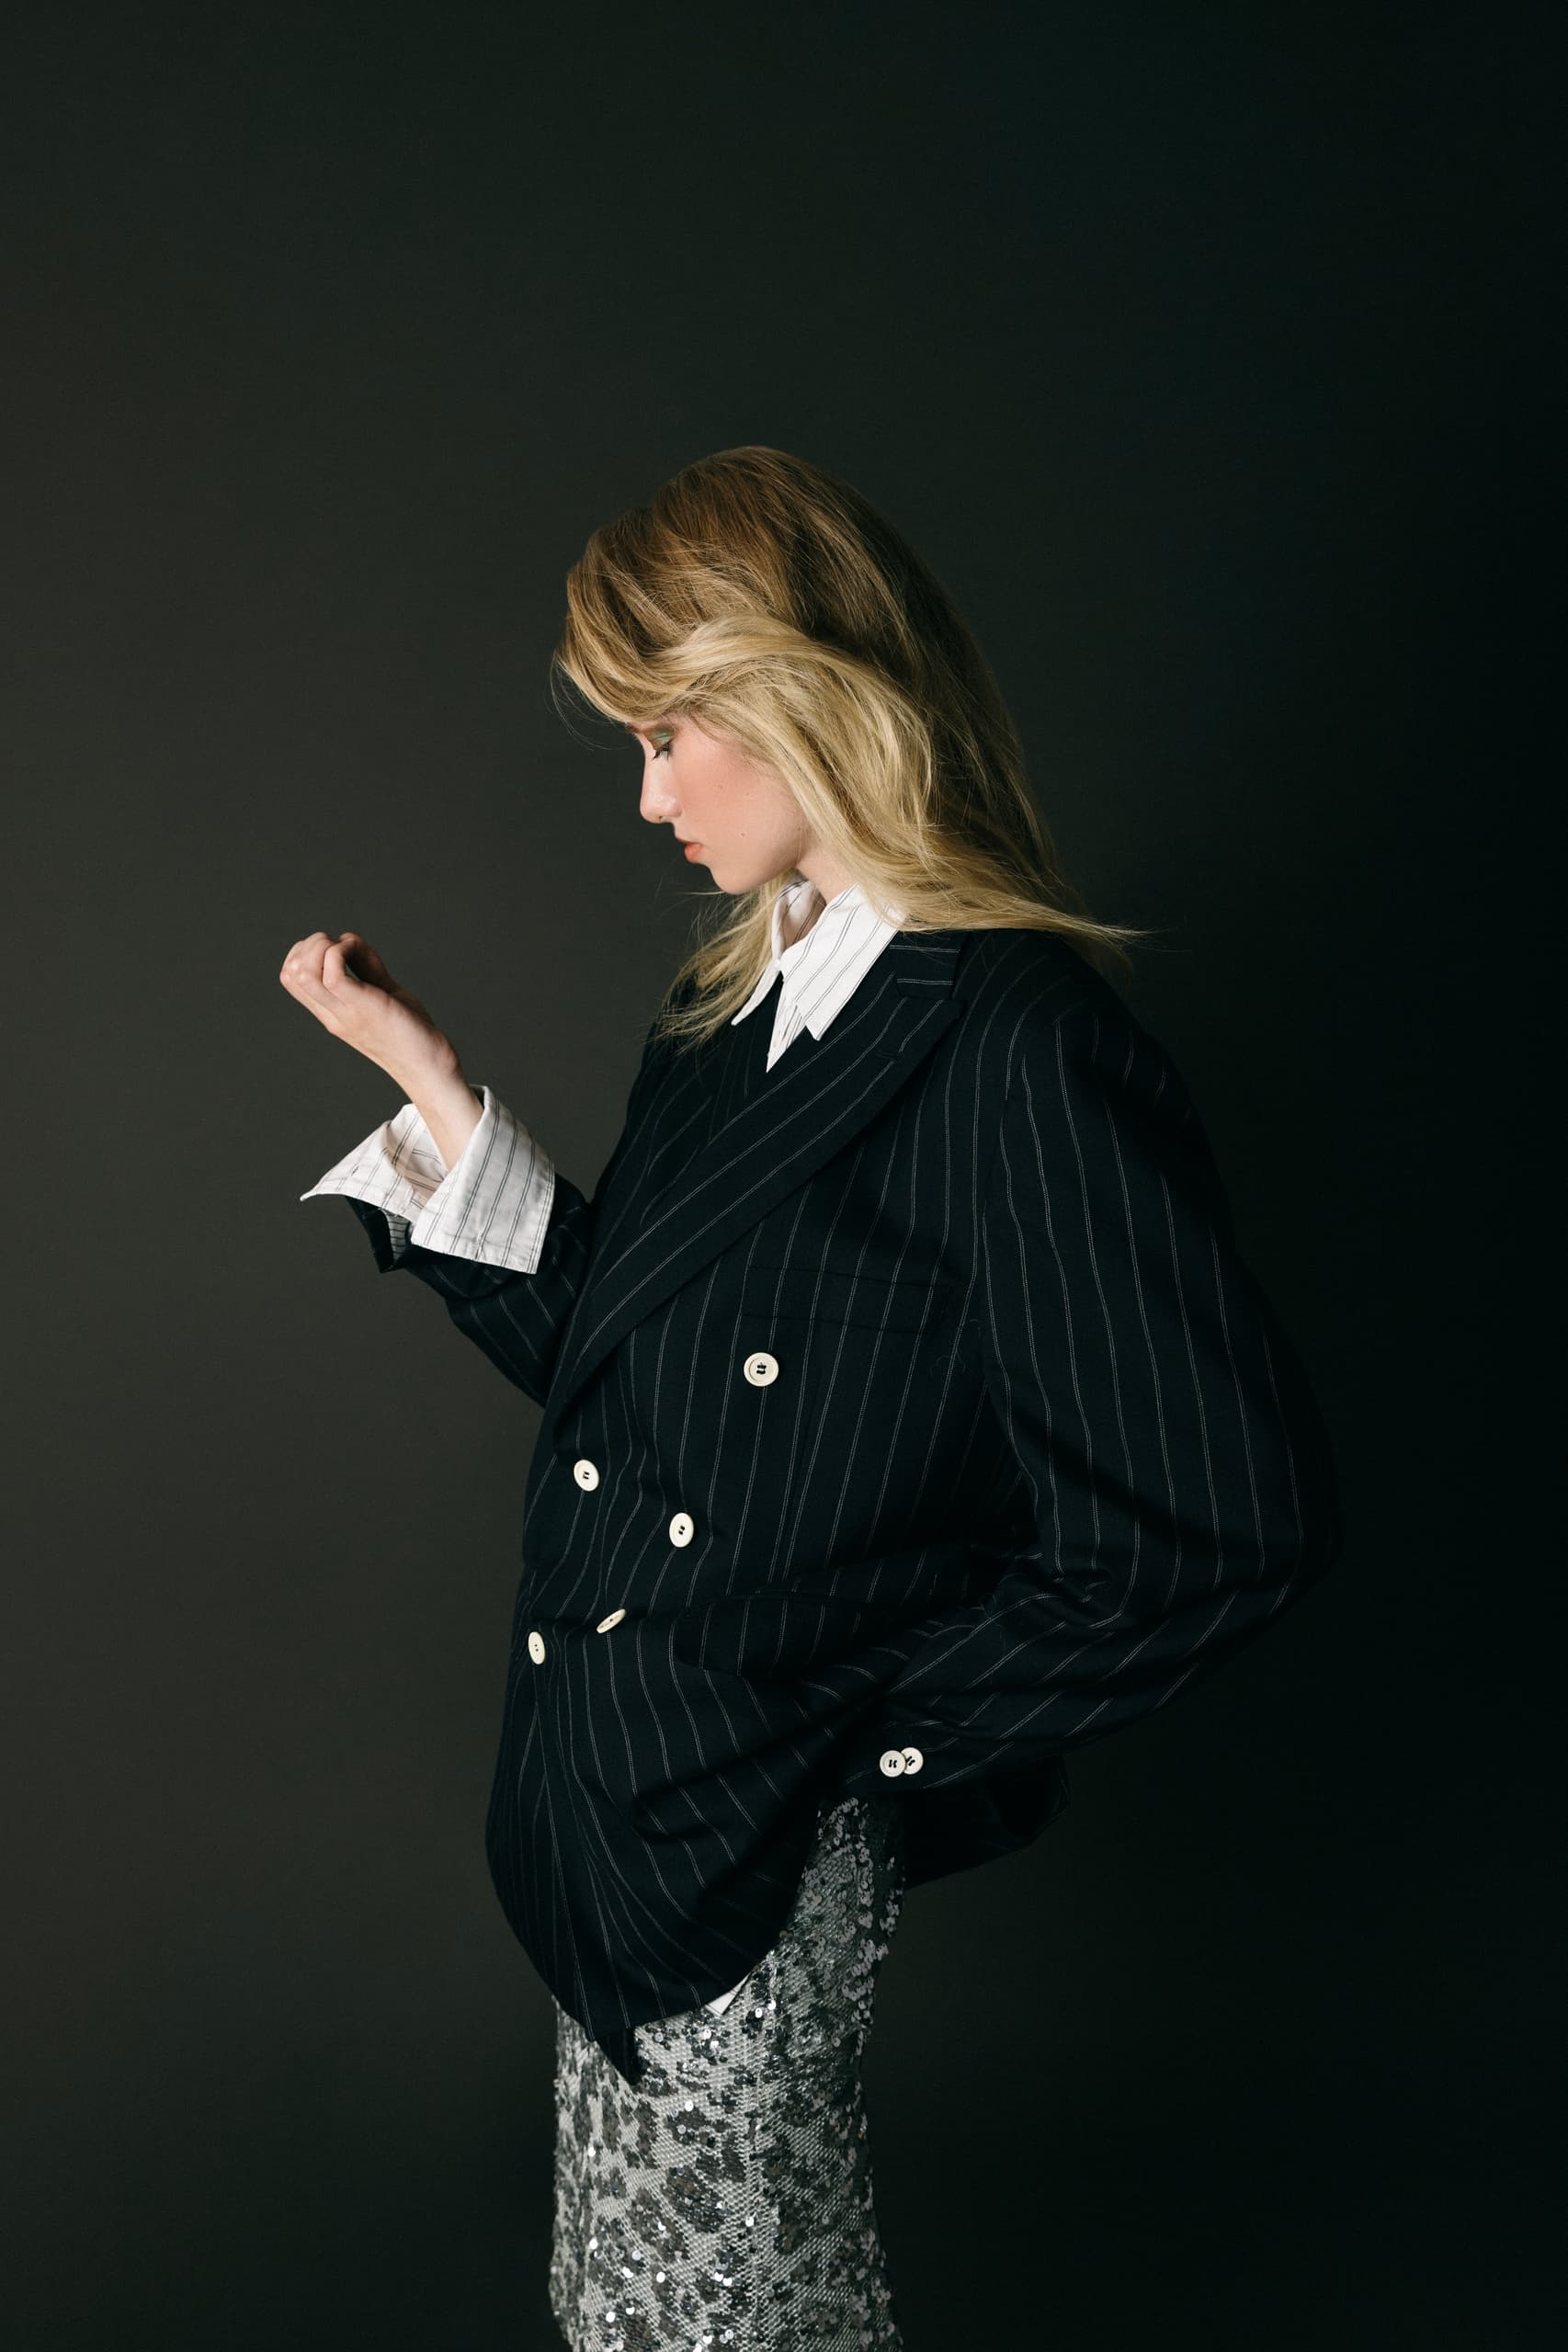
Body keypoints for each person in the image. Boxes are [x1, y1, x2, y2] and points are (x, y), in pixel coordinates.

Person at [279, 445, 1344, 2351]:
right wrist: (435, 1091)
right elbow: (630, 1386)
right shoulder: (734, 1008)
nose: (648, 790)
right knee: (625, 2314)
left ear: (814, 692)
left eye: (676, 727)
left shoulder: (1016, 1043)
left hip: (743, 1847)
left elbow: (1212, 1522)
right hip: (603, 1819)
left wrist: (853, 1752)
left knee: (744, 2322)